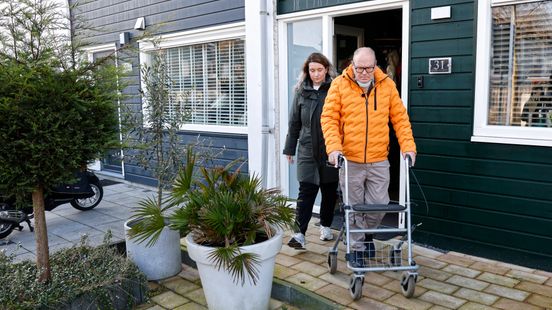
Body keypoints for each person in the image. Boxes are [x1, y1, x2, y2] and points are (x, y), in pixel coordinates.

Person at [321, 47, 416, 265]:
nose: (364, 72)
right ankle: (356, 250)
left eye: (369, 68)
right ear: (352, 65)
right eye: (360, 68)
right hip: (350, 160)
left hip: (378, 159)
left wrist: (408, 147)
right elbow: (329, 119)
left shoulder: (387, 85)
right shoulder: (339, 85)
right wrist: (334, 148)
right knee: (354, 208)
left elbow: (400, 119)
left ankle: (366, 235)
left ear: (376, 66)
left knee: (379, 204)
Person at [284, 52, 339, 250]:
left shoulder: (335, 89)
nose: (316, 74)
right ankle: (299, 234)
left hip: (330, 149)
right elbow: (294, 122)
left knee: (329, 191)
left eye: (319, 70)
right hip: (307, 149)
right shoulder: (300, 91)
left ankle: (325, 225)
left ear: (326, 70)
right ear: (307, 71)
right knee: (306, 191)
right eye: (312, 70)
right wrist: (290, 148)